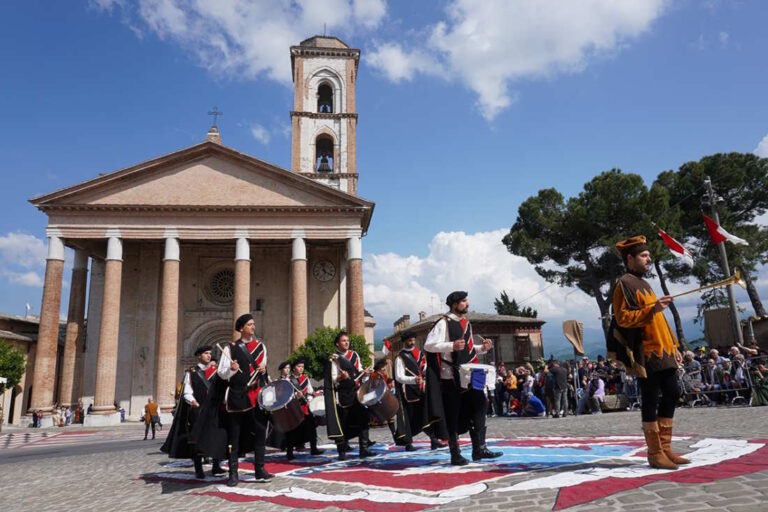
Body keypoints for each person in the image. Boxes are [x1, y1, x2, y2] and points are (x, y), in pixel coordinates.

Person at [609, 235, 688, 470]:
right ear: (630, 258)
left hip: (663, 349)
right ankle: (655, 453)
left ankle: (665, 448)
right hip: (646, 351)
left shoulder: (645, 284)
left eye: (649, 255)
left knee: (673, 392)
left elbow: (660, 319)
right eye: (643, 255)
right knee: (651, 398)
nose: (648, 259)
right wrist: (653, 309)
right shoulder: (624, 284)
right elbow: (622, 318)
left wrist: (674, 345)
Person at [424, 291, 502, 465]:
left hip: (469, 374)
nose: (467, 304)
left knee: (480, 405)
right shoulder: (443, 322)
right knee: (453, 414)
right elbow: (429, 345)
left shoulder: (466, 323)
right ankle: (455, 454)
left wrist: (482, 348)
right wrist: (451, 345)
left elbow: (468, 348)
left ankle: (479, 449)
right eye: (464, 301)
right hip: (450, 377)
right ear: (454, 304)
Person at [214, 314, 274, 486]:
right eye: (249, 324)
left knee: (260, 434)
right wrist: (232, 369)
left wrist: (263, 369)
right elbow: (221, 373)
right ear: (241, 328)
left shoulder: (261, 347)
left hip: (257, 397)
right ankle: (233, 474)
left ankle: (260, 470)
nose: (253, 327)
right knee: (234, 436)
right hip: (237, 397)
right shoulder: (230, 349)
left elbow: (263, 367)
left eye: (254, 324)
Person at [161, 345, 225, 479]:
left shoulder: (216, 372)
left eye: (210, 353)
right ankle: (198, 469)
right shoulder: (191, 372)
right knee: (197, 440)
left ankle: (216, 466)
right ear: (199, 356)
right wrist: (192, 401)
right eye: (206, 353)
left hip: (214, 410)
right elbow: (187, 391)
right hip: (198, 411)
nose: (209, 355)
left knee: (216, 438)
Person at [324, 331, 374, 461]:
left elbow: (359, 370)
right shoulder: (333, 359)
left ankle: (364, 449)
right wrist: (341, 377)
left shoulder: (354, 355)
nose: (346, 343)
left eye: (347, 340)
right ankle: (342, 452)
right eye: (343, 341)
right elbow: (332, 379)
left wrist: (365, 373)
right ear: (337, 343)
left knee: (363, 418)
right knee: (343, 423)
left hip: (356, 392)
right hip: (343, 395)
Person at [393, 331, 444, 451]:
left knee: (426, 415)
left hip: (421, 390)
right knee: (409, 418)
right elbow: (399, 377)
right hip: (407, 393)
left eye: (413, 340)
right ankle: (408, 443)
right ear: (405, 341)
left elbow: (424, 369)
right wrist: (413, 380)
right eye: (409, 340)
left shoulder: (420, 354)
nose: (412, 342)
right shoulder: (400, 357)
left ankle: (434, 440)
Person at [284, 359, 324, 460]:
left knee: (311, 428)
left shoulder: (305, 378)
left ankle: (314, 448)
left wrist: (315, 395)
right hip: (294, 408)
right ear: (294, 368)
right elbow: (286, 394)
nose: (301, 368)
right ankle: (289, 452)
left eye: (302, 366)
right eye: (299, 366)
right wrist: (296, 395)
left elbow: (310, 391)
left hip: (305, 406)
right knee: (293, 430)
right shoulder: (288, 380)